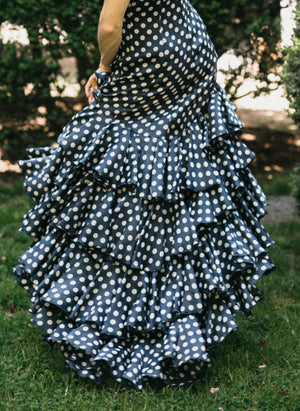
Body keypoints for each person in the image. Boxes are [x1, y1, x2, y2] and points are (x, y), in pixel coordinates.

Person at [13, 0, 275, 390]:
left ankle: (123, 317)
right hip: (189, 48)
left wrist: (103, 69)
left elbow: (108, 27)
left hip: (154, 60)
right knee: (179, 165)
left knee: (117, 159)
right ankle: (182, 314)